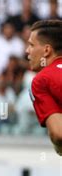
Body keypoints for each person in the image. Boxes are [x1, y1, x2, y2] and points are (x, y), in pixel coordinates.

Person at [26, 19, 62, 155]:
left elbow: (59, 134)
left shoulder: (41, 80)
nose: (27, 50)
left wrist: (59, 146)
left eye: (31, 45)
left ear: (47, 50)